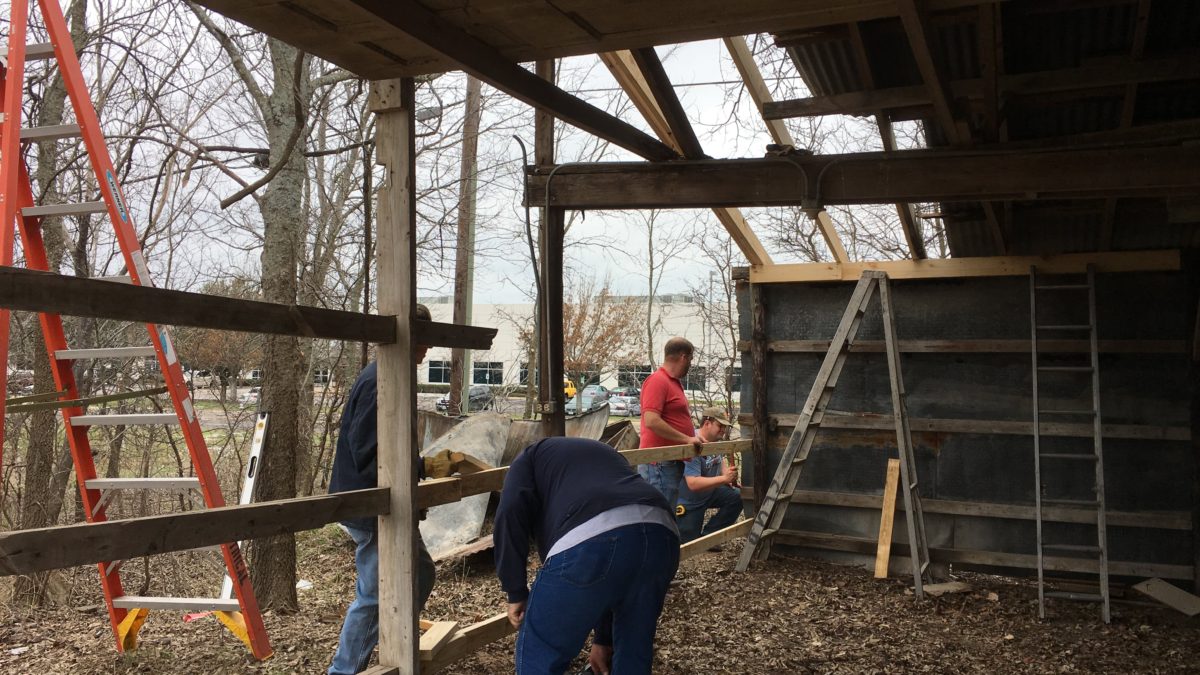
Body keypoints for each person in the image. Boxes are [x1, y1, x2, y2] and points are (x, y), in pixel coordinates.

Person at [328, 303, 454, 675]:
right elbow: (369, 454)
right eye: (423, 342)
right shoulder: (378, 380)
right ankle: (344, 671)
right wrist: (420, 467)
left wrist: (422, 465)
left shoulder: (392, 375)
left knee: (420, 573)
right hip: (371, 505)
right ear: (407, 338)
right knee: (374, 595)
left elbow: (389, 448)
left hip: (387, 502)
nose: (427, 350)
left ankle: (395, 641)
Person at [494, 437, 680, 675]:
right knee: (634, 646)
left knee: (540, 652)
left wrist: (515, 590)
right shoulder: (606, 456)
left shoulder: (527, 458)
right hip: (662, 534)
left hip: (592, 535)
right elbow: (612, 576)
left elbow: (509, 514)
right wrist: (604, 639)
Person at [637, 337, 701, 508]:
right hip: (658, 464)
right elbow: (651, 421)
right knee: (659, 515)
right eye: (691, 359)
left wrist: (693, 438)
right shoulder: (657, 381)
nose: (690, 364)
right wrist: (687, 439)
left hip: (670, 463)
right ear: (683, 357)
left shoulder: (673, 383)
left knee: (666, 515)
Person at [675, 406, 743, 543]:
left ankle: (709, 537)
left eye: (725, 426)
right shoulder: (693, 444)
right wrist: (724, 479)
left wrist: (726, 475)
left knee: (738, 496)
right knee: (687, 544)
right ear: (707, 423)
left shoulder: (715, 441)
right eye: (720, 426)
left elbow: (720, 459)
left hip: (709, 493)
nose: (723, 430)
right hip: (690, 501)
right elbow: (693, 483)